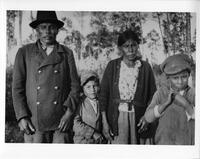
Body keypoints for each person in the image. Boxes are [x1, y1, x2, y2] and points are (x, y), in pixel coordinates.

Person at [12, 11, 80, 143]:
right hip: (34, 121)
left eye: (52, 27)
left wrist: (68, 114)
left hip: (61, 121)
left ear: (57, 30)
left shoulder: (67, 53)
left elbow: (75, 87)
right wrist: (22, 117)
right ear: (36, 30)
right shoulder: (24, 52)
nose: (47, 31)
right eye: (43, 27)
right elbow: (17, 88)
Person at [99, 29, 157, 144]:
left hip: (140, 117)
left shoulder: (145, 67)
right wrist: (105, 123)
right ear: (120, 48)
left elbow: (153, 96)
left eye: (133, 45)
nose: (130, 50)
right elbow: (103, 96)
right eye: (126, 46)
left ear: (137, 46)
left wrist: (147, 117)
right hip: (117, 117)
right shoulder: (112, 66)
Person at [141, 54, 195, 145]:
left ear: (189, 75)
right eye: (175, 78)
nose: (180, 81)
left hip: (186, 144)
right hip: (164, 143)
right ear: (168, 78)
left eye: (184, 76)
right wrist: (165, 104)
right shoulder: (161, 93)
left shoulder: (193, 94)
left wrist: (186, 104)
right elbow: (148, 118)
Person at [73, 70, 105, 144]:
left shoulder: (100, 101)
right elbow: (76, 124)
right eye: (88, 87)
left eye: (95, 86)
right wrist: (92, 133)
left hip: (98, 142)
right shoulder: (80, 103)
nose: (92, 90)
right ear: (83, 88)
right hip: (83, 141)